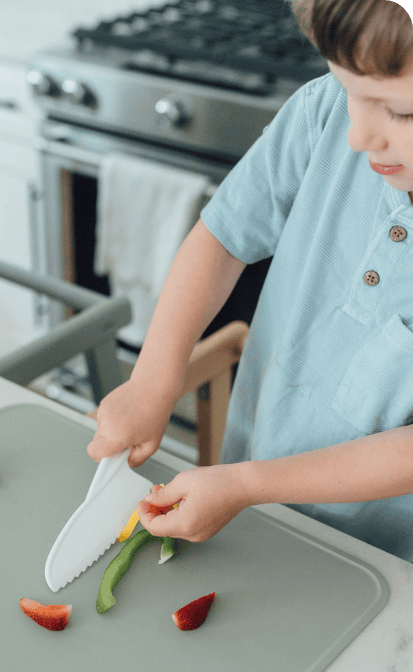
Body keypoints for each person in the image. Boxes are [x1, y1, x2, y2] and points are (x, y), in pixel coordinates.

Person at [87, 0, 413, 562]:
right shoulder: (323, 116)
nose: (359, 135)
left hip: (385, 560)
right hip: (252, 507)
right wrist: (153, 381)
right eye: (347, 89)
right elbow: (221, 238)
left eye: (399, 112)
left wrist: (248, 484)